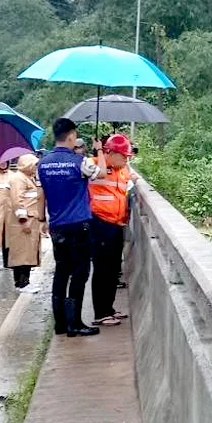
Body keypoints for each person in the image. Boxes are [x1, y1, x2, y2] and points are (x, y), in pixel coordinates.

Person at [37, 118, 102, 338]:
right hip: (79, 226)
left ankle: (60, 324)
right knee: (80, 273)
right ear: (72, 136)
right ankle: (75, 323)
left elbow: (41, 193)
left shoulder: (43, 164)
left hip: (57, 227)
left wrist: (41, 219)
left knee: (61, 272)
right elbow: (100, 172)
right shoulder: (79, 161)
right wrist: (99, 150)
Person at [88, 134, 133, 326]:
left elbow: (130, 183)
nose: (126, 160)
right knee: (102, 269)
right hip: (99, 223)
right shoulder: (93, 164)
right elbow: (98, 172)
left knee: (113, 269)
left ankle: (109, 308)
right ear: (111, 153)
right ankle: (100, 312)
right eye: (123, 156)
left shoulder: (122, 171)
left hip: (116, 224)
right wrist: (99, 150)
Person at [4, 154, 44, 294]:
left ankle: (23, 282)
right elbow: (17, 201)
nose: (35, 167)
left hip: (30, 220)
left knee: (27, 252)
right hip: (23, 222)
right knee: (22, 254)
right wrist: (23, 220)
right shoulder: (18, 179)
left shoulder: (27, 178)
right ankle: (22, 283)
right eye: (33, 164)